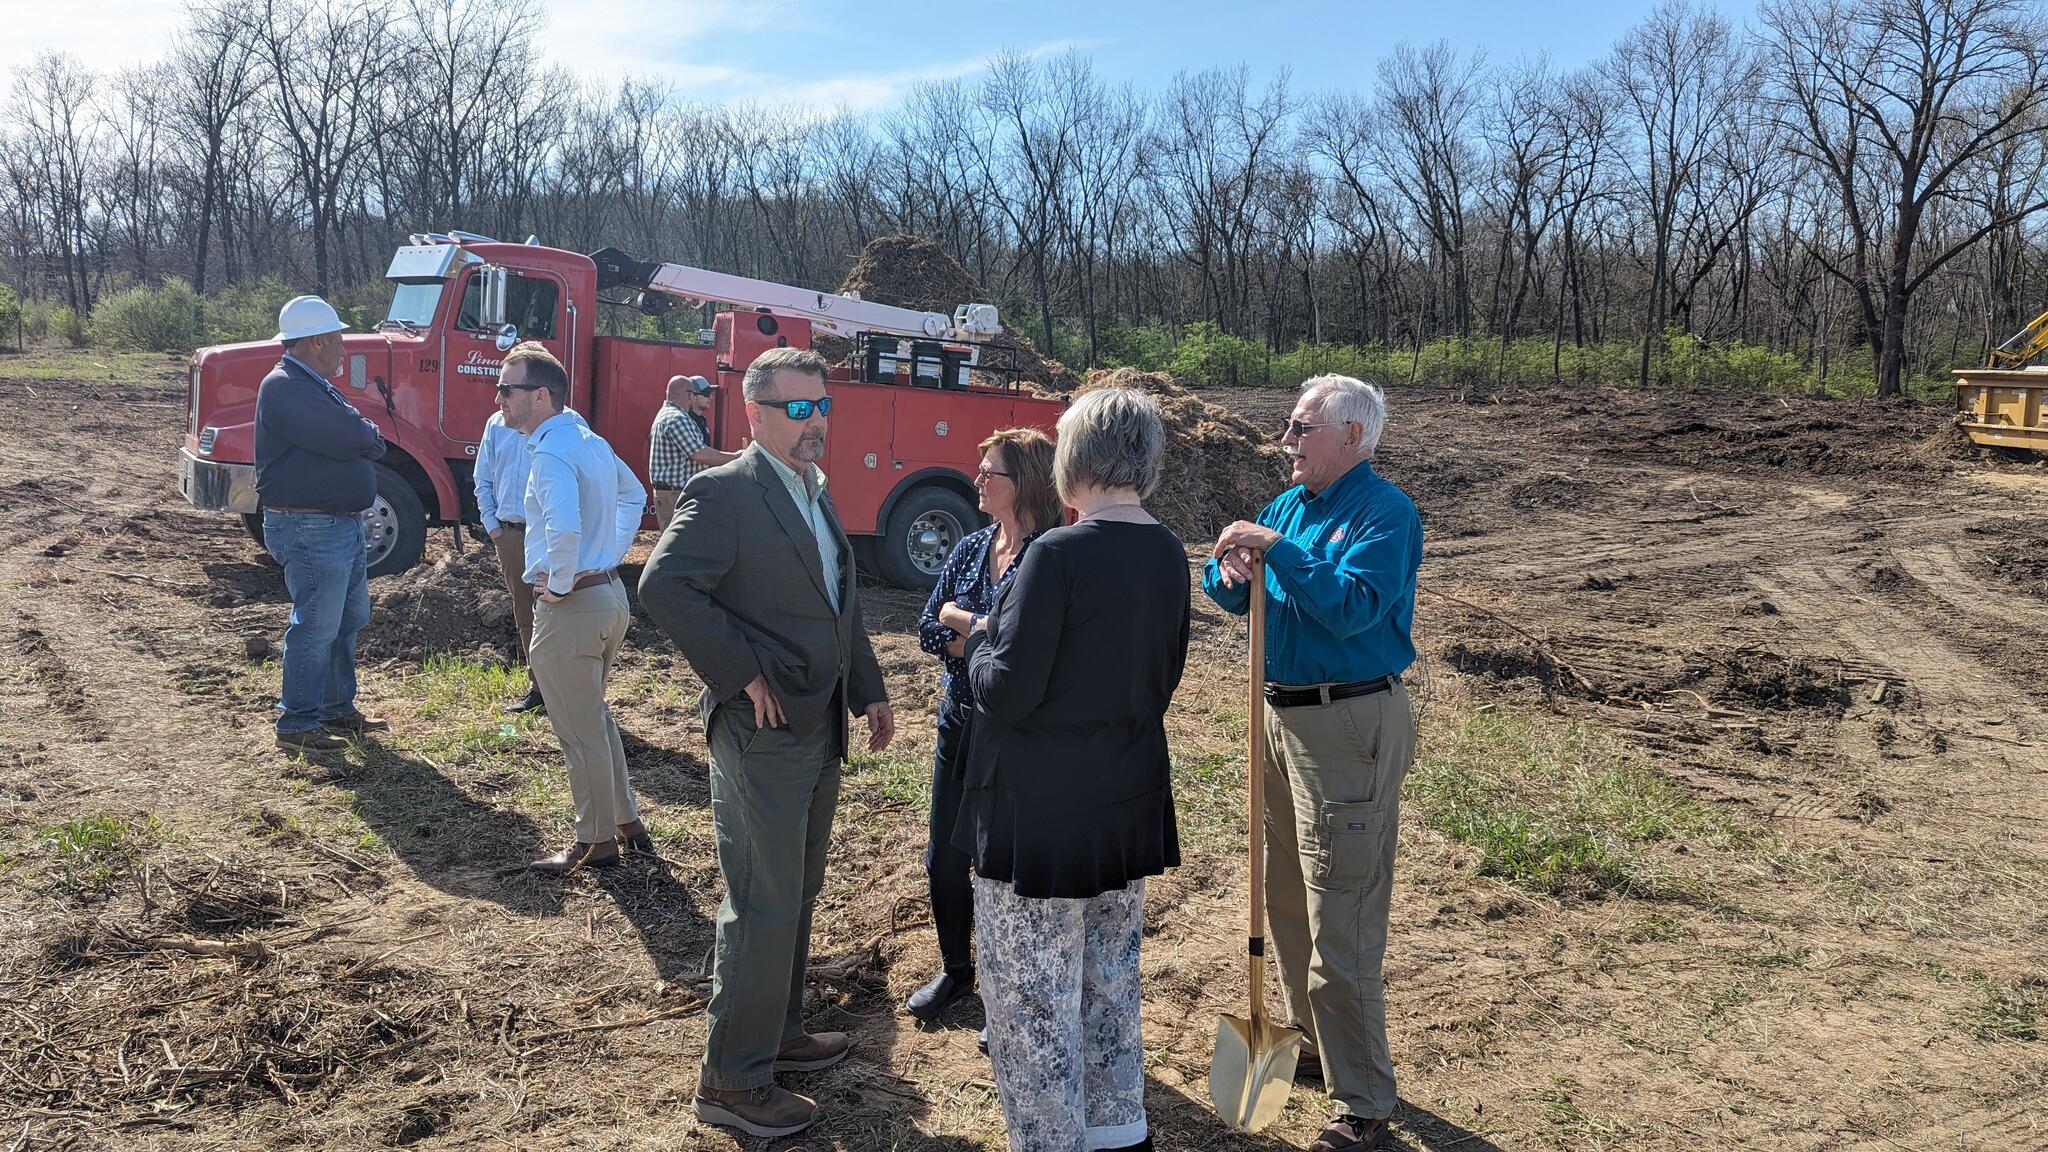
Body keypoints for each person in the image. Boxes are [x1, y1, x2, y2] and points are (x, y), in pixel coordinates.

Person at [636, 346, 896, 1140]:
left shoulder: (811, 488)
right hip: (764, 730)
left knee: (797, 892)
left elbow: (837, 601)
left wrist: (870, 687)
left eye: (822, 407)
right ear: (753, 414)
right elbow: (663, 585)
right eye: (797, 409)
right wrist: (739, 673)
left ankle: (776, 1035)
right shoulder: (726, 491)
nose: (815, 421)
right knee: (762, 902)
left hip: (818, 725)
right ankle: (732, 1083)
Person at [957, 387, 1190, 1152]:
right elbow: (1161, 670)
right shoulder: (1164, 548)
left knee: (1031, 997)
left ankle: (1050, 1139)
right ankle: (1120, 1132)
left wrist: (979, 640)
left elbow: (1007, 691)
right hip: (1125, 797)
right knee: (1109, 981)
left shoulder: (1055, 552)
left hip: (1040, 812)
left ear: (1074, 459)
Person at [1201, 375, 1421, 1152]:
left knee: (1342, 913)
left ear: (1353, 436)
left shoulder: (1385, 514)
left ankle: (1364, 1102)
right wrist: (1225, 572)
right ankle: (1312, 1049)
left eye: (1302, 428)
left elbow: (1357, 604)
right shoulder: (1288, 505)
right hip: (1279, 716)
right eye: (1288, 427)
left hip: (1350, 720)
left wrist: (1280, 553)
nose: (1287, 442)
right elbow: (1234, 590)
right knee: (1285, 893)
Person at [910, 428, 1061, 1040]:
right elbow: (927, 622)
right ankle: (957, 971)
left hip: (1019, 738)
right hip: (961, 722)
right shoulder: (972, 546)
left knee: (1005, 868)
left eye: (989, 471)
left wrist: (965, 625)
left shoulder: (1051, 553)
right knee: (944, 858)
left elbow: (1024, 646)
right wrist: (984, 634)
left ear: (1023, 482)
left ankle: (1006, 993)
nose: (976, 479)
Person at [496, 341, 652, 875]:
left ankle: (595, 842)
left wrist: (561, 582)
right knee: (594, 717)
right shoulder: (588, 440)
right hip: (607, 598)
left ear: (540, 396)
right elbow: (634, 496)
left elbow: (561, 527)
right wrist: (608, 553)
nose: (498, 400)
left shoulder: (554, 451)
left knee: (577, 728)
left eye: (506, 389)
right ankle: (626, 822)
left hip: (574, 606)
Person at [253, 295, 390, 753]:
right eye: (337, 340)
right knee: (316, 623)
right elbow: (353, 434)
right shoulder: (286, 386)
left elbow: (357, 432)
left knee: (348, 617)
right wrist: (363, 434)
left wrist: (361, 433)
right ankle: (297, 723)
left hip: (337, 525)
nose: (343, 350)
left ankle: (335, 707)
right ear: (315, 343)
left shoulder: (310, 383)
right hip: (311, 528)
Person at [473, 407, 545, 714]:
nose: (499, 395)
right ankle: (540, 688)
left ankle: (568, 687)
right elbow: (483, 477)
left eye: (508, 387)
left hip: (549, 535)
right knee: (526, 611)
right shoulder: (495, 423)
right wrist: (493, 527)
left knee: (560, 610)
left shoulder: (563, 424)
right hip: (511, 535)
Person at [648, 373, 737, 527]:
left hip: (672, 492)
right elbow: (700, 454)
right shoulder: (677, 418)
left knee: (679, 543)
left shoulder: (668, 415)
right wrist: (737, 457)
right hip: (674, 493)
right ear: (689, 395)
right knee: (679, 545)